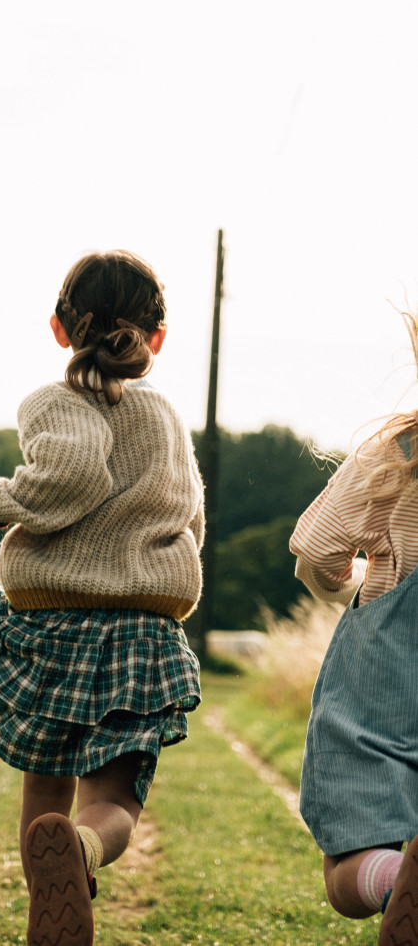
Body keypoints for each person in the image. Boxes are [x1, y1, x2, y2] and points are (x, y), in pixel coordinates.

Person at [0, 249, 204, 946]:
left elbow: (72, 471)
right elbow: (189, 512)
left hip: (53, 624)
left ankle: (47, 904)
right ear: (157, 337)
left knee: (44, 789)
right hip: (139, 629)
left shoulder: (56, 400)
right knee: (114, 801)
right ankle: (82, 849)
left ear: (59, 327)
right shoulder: (165, 415)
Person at [289, 305, 418, 946]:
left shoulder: (399, 451)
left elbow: (316, 550)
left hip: (386, 680)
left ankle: (393, 880)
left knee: (351, 854)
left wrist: (355, 587)